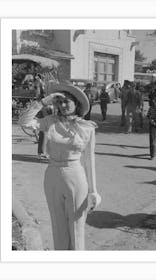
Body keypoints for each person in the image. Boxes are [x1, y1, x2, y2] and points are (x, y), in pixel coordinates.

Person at [18, 82, 101, 250]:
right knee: (57, 225)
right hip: (52, 175)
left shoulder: (87, 128)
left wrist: (94, 191)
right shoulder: (49, 122)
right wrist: (42, 102)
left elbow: (89, 160)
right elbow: (23, 121)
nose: (62, 105)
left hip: (75, 176)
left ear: (77, 103)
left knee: (76, 227)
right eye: (59, 101)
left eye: (67, 101)